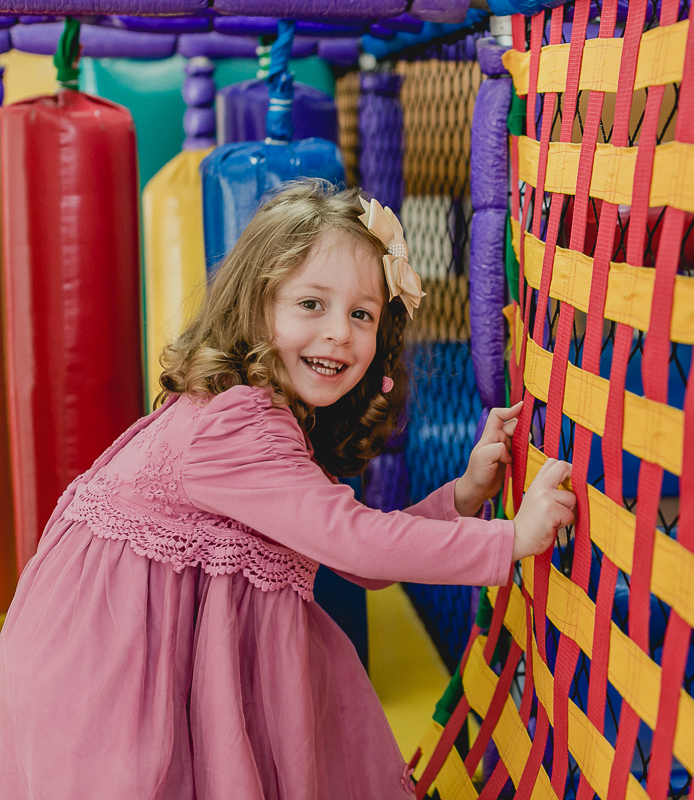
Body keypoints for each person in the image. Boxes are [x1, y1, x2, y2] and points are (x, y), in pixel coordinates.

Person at [0, 180, 575, 799]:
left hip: (140, 644)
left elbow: (357, 560)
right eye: (310, 304)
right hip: (112, 668)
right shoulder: (237, 424)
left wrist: (461, 496)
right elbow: (356, 544)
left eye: (362, 314)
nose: (338, 333)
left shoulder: (267, 416)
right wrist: (512, 538)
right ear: (256, 307)